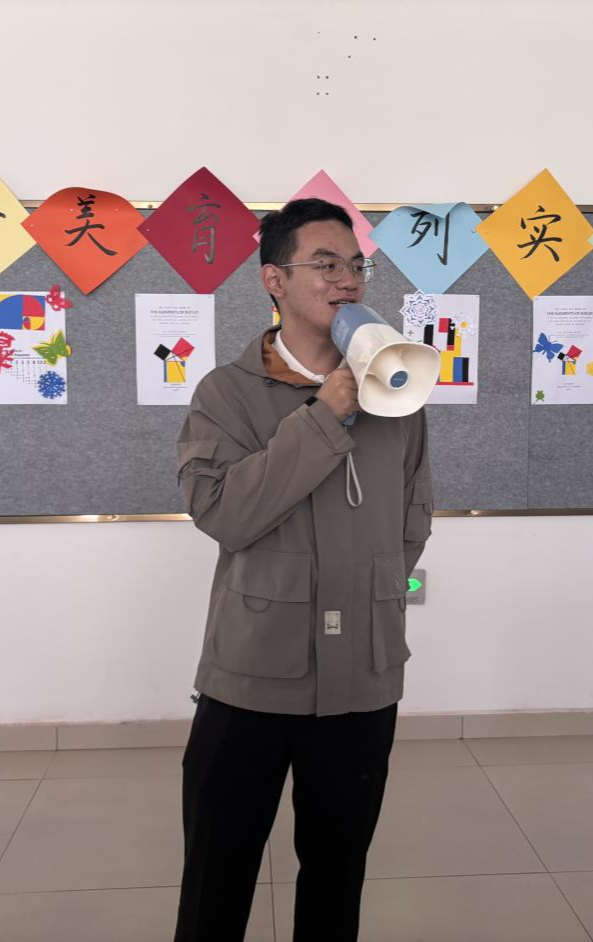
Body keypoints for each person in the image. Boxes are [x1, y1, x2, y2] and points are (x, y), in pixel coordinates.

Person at [173, 197, 433, 942]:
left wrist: (377, 593)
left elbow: (414, 516)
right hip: (253, 677)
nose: (347, 278)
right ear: (275, 280)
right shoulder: (225, 393)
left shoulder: (398, 389)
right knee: (218, 879)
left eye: (356, 264)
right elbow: (222, 512)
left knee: (336, 877)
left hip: (362, 680)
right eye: (325, 263)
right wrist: (323, 416)